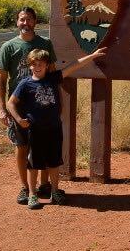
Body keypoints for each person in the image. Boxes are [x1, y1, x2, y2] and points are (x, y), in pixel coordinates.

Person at [6, 47, 107, 209]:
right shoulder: (25, 84)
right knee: (34, 163)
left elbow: (74, 65)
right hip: (35, 130)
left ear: (47, 65)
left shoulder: (53, 78)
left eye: (41, 64)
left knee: (54, 162)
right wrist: (18, 119)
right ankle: (32, 194)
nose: (38, 67)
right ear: (30, 65)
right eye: (34, 64)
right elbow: (11, 103)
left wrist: (92, 56)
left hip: (53, 128)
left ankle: (55, 191)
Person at [0, 7, 56, 205]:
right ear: (17, 22)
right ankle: (25, 187)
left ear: (35, 21)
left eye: (29, 19)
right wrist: (2, 109)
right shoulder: (8, 47)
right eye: (22, 19)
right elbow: (1, 80)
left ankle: (44, 184)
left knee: (44, 145)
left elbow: (53, 74)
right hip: (19, 106)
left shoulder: (45, 44)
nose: (25, 23)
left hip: (42, 105)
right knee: (22, 147)